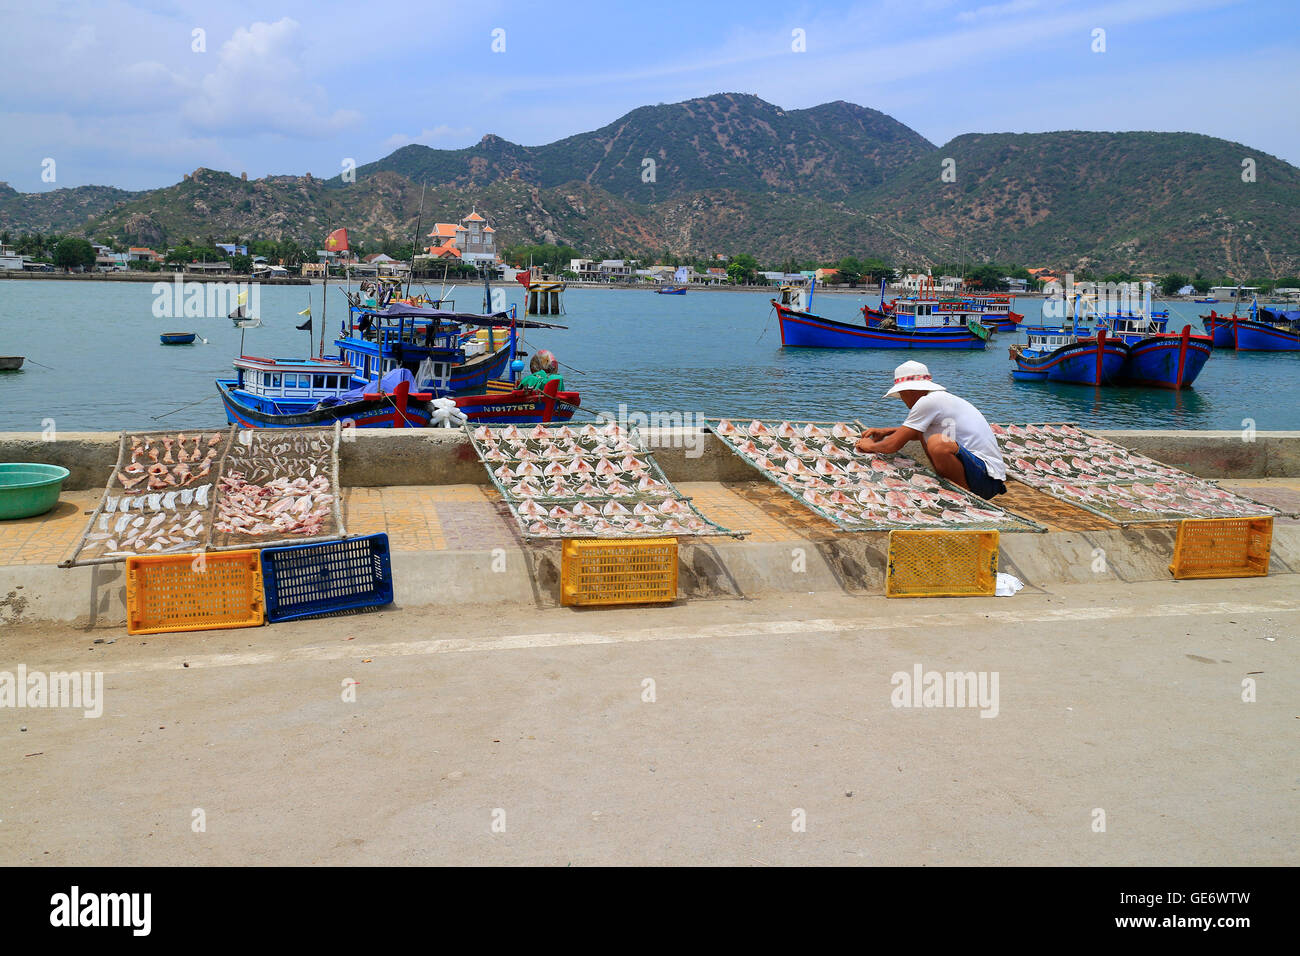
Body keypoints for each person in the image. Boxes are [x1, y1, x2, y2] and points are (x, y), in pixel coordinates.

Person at [856, 360, 1007, 500]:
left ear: (909, 391)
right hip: (986, 479)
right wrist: (886, 431)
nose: (902, 398)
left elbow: (892, 445)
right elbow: (913, 432)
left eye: (901, 394)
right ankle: (958, 488)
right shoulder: (937, 399)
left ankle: (966, 496)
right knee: (927, 435)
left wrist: (870, 446)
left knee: (937, 442)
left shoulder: (928, 402)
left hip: (985, 479)